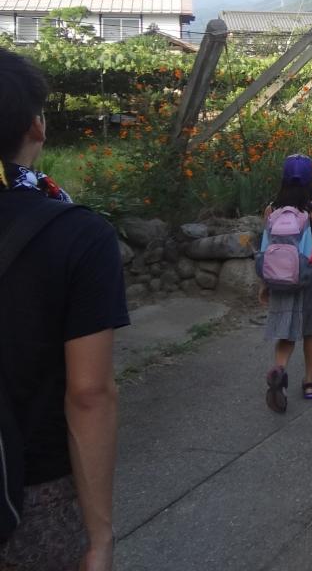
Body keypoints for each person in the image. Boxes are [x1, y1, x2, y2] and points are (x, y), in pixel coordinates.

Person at [0, 48, 128, 571]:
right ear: (37, 125)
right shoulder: (78, 234)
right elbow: (88, 393)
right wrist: (99, 537)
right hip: (31, 494)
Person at [259, 154, 312, 414]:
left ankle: (279, 369)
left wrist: (264, 284)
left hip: (279, 278)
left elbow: (266, 246)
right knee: (311, 331)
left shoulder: (271, 209)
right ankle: (309, 383)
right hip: (311, 277)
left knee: (286, 332)